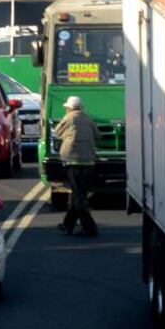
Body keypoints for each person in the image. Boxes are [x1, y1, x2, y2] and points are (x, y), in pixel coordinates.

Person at [53, 96, 99, 236]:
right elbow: (98, 135)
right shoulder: (88, 119)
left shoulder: (69, 118)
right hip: (89, 161)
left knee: (78, 198)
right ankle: (68, 225)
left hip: (73, 161)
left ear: (69, 108)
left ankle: (90, 228)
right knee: (78, 194)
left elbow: (57, 132)